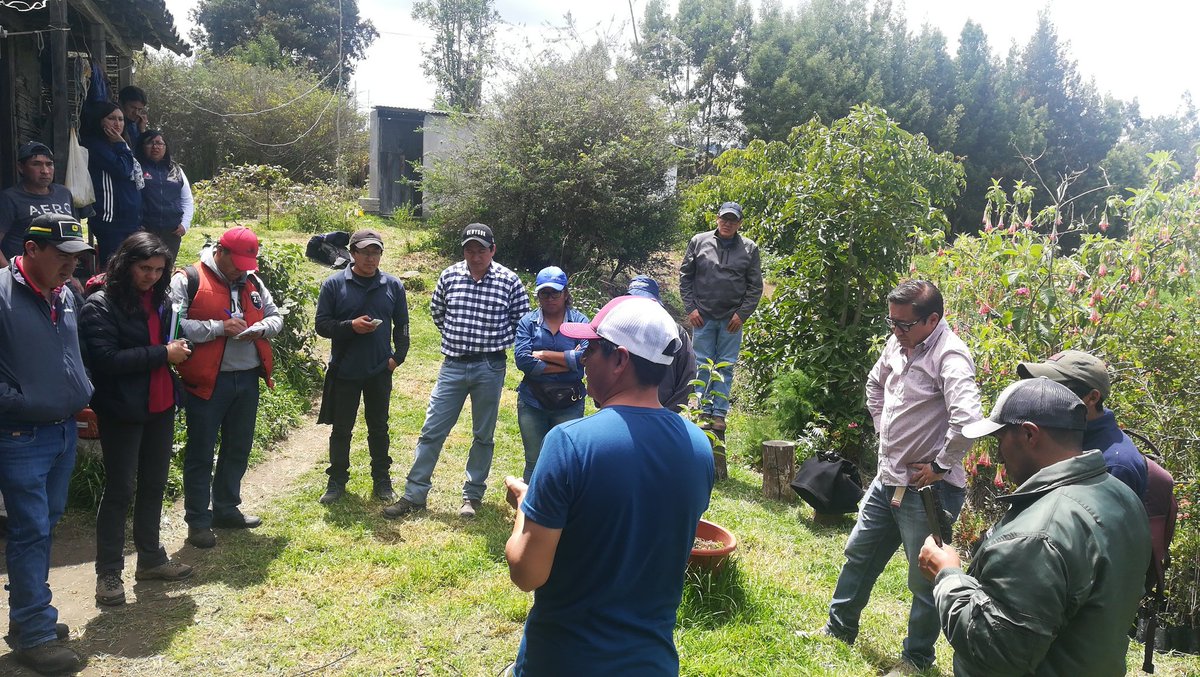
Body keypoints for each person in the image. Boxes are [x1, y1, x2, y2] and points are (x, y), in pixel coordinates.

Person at [503, 295, 714, 675]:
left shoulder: (569, 443)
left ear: (620, 359)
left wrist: (525, 507)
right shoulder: (699, 447)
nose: (582, 359)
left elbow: (527, 573)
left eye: (591, 348)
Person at [805, 279, 983, 674]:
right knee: (858, 554)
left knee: (924, 581)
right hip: (887, 480)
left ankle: (916, 659)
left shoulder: (951, 357)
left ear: (932, 319)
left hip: (926, 493)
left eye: (903, 324)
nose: (895, 331)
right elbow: (874, 385)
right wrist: (884, 430)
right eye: (892, 322)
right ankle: (838, 630)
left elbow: (969, 420)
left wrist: (939, 466)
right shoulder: (898, 343)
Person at [919, 377, 1151, 675]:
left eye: (1000, 440)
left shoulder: (1037, 535)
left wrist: (947, 576)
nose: (999, 455)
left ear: (1029, 434)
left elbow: (996, 653)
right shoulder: (1121, 496)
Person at [384, 223, 530, 520]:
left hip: (490, 365)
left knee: (483, 434)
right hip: (452, 365)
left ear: (493, 250)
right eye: (469, 250)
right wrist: (457, 337)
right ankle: (414, 495)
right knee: (432, 430)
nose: (475, 256)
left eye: (481, 250)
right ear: (463, 250)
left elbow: (522, 321)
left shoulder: (509, 281)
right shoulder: (450, 275)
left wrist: (494, 342)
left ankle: (472, 496)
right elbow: (437, 311)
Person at [0, 213, 93, 675]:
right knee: (31, 528)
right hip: (19, 434)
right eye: (62, 256)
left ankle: (26, 614)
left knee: (46, 523)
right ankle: (34, 631)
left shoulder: (65, 294)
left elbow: (67, 355)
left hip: (62, 430)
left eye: (77, 258)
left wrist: (79, 394)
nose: (71, 266)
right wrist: (21, 401)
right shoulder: (2, 294)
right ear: (31, 250)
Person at [81, 232, 194, 607]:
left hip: (160, 406)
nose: (151, 276)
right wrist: (163, 353)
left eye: (159, 270)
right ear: (125, 264)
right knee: (119, 490)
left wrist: (177, 348)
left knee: (154, 484)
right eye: (144, 268)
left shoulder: (161, 300)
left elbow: (171, 343)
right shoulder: (100, 305)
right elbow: (106, 361)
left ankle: (150, 559)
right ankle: (108, 574)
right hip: (122, 411)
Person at [169, 226, 283, 549]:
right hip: (207, 380)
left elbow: (276, 317)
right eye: (239, 263)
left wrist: (260, 329)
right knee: (201, 451)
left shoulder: (253, 281)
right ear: (221, 251)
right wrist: (219, 328)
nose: (243, 271)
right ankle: (198, 521)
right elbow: (175, 326)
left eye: (249, 264)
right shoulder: (188, 279)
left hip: (247, 379)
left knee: (239, 446)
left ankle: (226, 508)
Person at [314, 229, 410, 505]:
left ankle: (382, 479)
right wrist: (350, 326)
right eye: (365, 252)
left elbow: (402, 325)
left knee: (378, 427)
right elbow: (322, 326)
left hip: (380, 370)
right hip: (345, 370)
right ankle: (336, 481)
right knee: (342, 429)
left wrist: (397, 358)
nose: (371, 258)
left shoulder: (392, 285)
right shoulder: (334, 285)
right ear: (352, 253)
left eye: (376, 252)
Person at [1016, 350, 1147, 498]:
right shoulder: (1064, 436)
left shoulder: (1114, 464)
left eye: (1056, 389)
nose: (1042, 395)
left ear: (1092, 398)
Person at [679, 201, 762, 431]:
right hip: (702, 316)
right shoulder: (699, 241)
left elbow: (755, 286)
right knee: (702, 363)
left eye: (732, 220)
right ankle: (702, 410)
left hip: (731, 320)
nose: (727, 223)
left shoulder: (749, 248)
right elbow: (685, 277)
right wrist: (690, 308)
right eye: (724, 219)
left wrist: (742, 314)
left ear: (739, 223)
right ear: (717, 219)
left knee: (725, 366)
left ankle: (719, 414)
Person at [513, 266, 589, 482]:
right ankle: (527, 510)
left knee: (564, 462)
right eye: (544, 293)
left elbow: (584, 357)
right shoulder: (527, 322)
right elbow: (524, 361)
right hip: (532, 402)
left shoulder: (580, 322)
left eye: (555, 293)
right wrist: (568, 362)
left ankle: (560, 512)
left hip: (570, 403)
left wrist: (545, 354)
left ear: (565, 294)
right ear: (538, 295)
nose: (550, 298)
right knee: (533, 462)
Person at [81, 101, 143, 265]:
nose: (117, 123)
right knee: (113, 268)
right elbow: (122, 169)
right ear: (100, 120)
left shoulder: (120, 144)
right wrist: (121, 145)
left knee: (130, 267)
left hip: (129, 220)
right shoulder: (95, 145)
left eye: (121, 119)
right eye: (111, 118)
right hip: (110, 220)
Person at [626, 275, 697, 412]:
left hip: (663, 413)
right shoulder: (619, 329)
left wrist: (667, 413)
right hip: (623, 414)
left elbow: (688, 377)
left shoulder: (676, 332)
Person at [0, 141, 76, 267]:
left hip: (59, 275)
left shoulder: (64, 194)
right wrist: (11, 274)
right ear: (21, 167)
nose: (45, 171)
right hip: (24, 275)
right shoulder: (9, 199)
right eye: (36, 164)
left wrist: (69, 276)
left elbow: (72, 237)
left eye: (49, 164)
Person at [136, 130, 194, 259]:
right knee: (146, 268)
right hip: (145, 230)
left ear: (165, 147)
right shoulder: (137, 167)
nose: (155, 146)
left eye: (159, 143)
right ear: (142, 146)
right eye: (150, 143)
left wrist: (184, 224)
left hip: (172, 232)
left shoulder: (175, 169)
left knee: (166, 269)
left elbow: (187, 200)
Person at [118, 85, 150, 149]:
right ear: (121, 103)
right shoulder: (114, 123)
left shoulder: (136, 124)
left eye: (139, 109)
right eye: (132, 107)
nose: (136, 113)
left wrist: (142, 130)